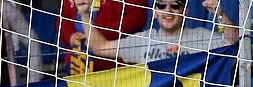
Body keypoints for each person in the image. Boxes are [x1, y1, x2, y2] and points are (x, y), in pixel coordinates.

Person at [83, 0, 223, 65]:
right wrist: (84, 13)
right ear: (155, 12)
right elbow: (99, 47)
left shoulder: (201, 36)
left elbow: (235, 43)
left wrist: (222, 14)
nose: (168, 10)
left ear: (185, 11)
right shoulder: (144, 40)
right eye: (162, 5)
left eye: (175, 5)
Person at [58, 0, 147, 75]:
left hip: (115, 67)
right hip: (77, 63)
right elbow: (62, 18)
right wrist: (71, 36)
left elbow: (137, 18)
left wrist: (96, 36)